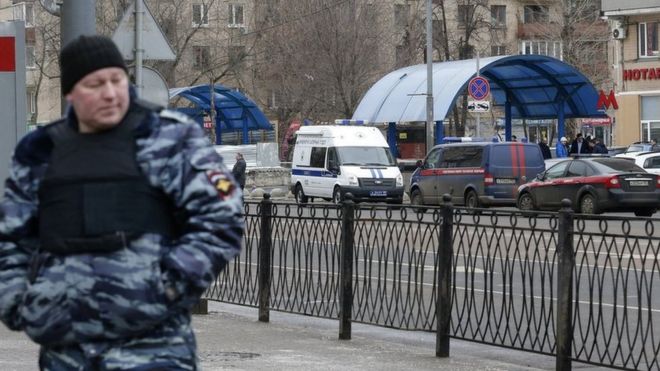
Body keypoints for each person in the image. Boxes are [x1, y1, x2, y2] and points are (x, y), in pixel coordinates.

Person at [0, 35, 244, 370]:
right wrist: (20, 306)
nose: (111, 93)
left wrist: (167, 289)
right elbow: (11, 240)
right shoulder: (40, 151)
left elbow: (222, 221)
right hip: (67, 353)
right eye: (95, 84)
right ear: (71, 92)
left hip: (154, 350)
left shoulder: (170, 139)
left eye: (117, 80)